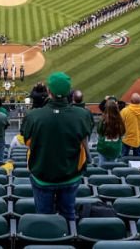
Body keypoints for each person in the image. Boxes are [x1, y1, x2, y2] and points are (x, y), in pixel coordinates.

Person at [20, 72, 93, 221]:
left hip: (42, 175)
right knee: (68, 214)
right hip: (71, 175)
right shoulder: (83, 114)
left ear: (49, 91)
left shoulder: (32, 115)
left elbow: (27, 142)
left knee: (44, 217)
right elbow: (85, 136)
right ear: (69, 92)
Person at [94, 101, 125, 166]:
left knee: (102, 168)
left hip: (103, 148)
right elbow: (123, 133)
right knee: (113, 167)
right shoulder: (120, 120)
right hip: (115, 149)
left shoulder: (103, 120)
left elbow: (99, 131)